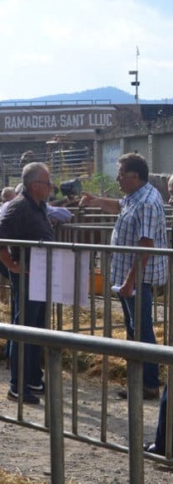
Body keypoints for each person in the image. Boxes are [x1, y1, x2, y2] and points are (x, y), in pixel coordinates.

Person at [79, 153, 166, 400]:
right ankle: (138, 380)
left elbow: (146, 245)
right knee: (133, 329)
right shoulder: (133, 197)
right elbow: (118, 205)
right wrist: (96, 200)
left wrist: (130, 282)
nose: (117, 178)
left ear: (135, 176)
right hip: (127, 277)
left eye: (121, 174)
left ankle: (148, 384)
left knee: (141, 331)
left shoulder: (147, 201)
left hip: (137, 279)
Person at [0, 163, 55, 405]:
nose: (50, 187)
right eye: (47, 182)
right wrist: (13, 265)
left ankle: (33, 378)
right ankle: (17, 385)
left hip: (39, 275)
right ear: (34, 185)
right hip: (27, 275)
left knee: (36, 327)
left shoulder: (38, 206)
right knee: (24, 327)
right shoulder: (19, 206)